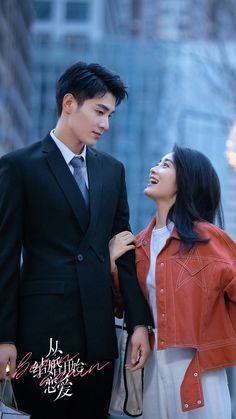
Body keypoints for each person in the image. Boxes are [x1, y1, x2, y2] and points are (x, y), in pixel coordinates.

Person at [0, 62, 153, 419]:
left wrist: (138, 324)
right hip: (42, 332)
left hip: (97, 332)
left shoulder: (112, 170)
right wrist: (4, 336)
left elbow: (125, 247)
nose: (105, 124)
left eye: (111, 115)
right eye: (99, 111)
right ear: (70, 103)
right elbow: (5, 256)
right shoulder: (19, 167)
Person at [109, 145, 236, 419]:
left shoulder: (210, 240)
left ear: (187, 180)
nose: (154, 169)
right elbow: (118, 304)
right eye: (157, 163)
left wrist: (222, 339)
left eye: (166, 165)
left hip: (201, 373)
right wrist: (109, 262)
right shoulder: (137, 246)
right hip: (152, 369)